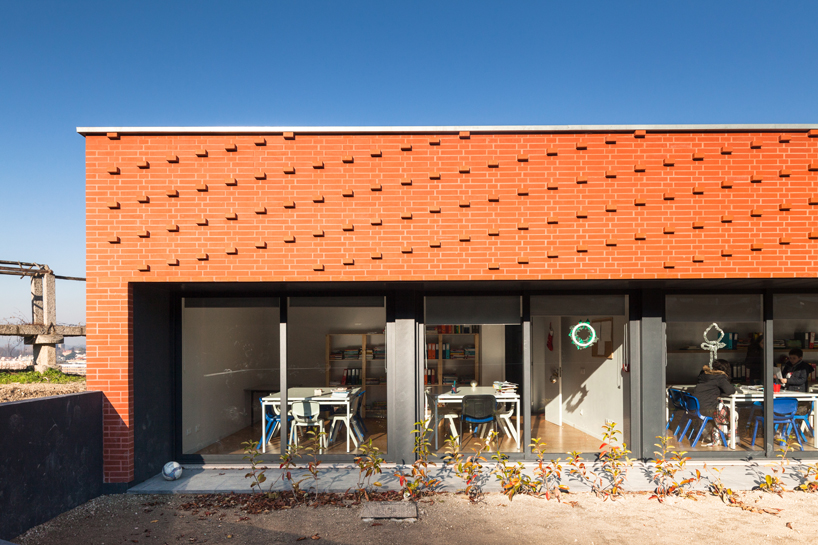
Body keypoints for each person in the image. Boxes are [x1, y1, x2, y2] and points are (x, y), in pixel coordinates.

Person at [693, 359, 736, 446]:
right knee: (733, 413)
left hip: (695, 408)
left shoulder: (704, 375)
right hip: (706, 409)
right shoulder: (719, 377)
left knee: (722, 408)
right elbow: (731, 390)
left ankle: (719, 436)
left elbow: (710, 389)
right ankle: (731, 438)